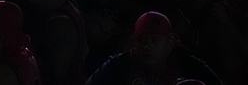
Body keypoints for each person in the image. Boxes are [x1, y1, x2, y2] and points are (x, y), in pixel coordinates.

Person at [87, 11, 222, 84]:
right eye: (142, 40)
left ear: (170, 43)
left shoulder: (188, 64)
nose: (147, 46)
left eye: (154, 40)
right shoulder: (120, 63)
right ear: (133, 43)